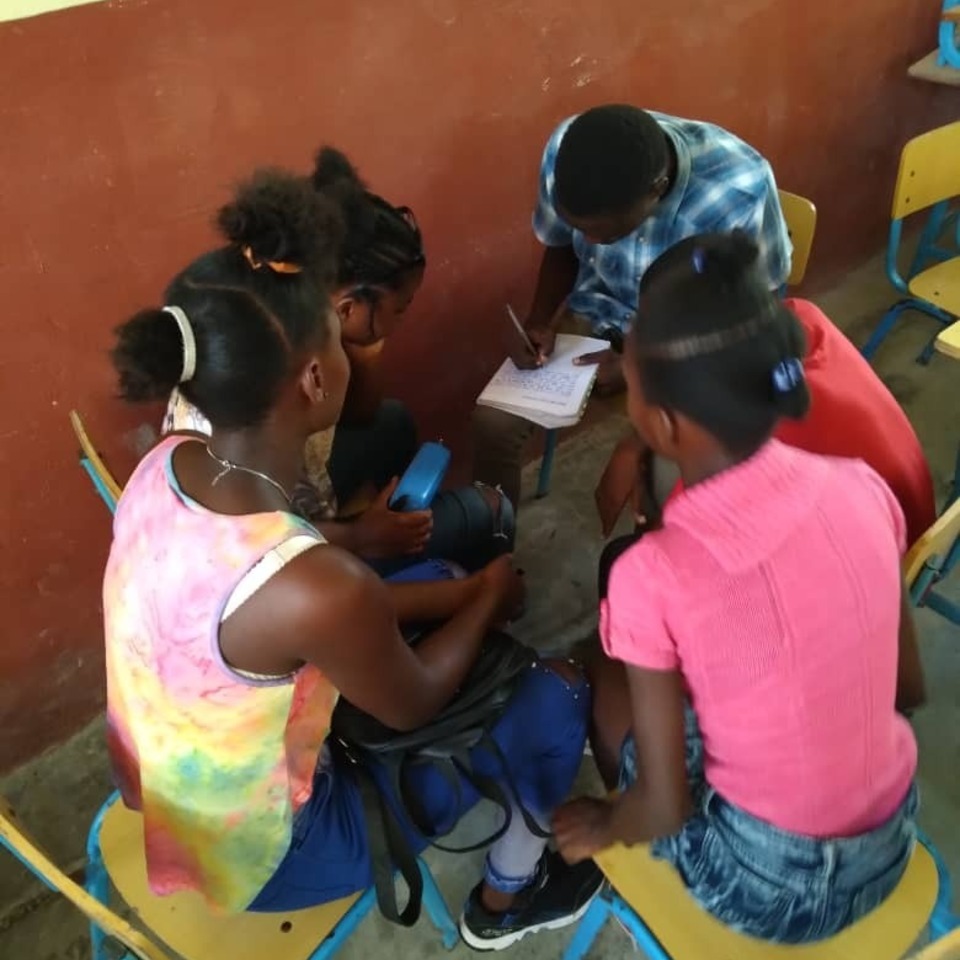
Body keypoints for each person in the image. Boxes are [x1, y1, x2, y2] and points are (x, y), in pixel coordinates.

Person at [105, 169, 600, 949]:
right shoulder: (315, 584)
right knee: (557, 693)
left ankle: (457, 599)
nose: (354, 349)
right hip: (272, 856)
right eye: (340, 341)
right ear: (311, 377)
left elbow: (288, 601)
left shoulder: (165, 464)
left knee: (431, 582)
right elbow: (415, 702)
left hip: (165, 790)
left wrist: (450, 590)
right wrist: (485, 595)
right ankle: (510, 896)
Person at [552, 233, 924, 944]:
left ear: (659, 423)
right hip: (891, 842)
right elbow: (902, 689)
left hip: (771, 893)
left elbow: (663, 808)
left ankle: (622, 863)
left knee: (605, 675)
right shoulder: (859, 484)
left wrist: (604, 823)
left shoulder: (649, 573)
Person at [165, 147, 512, 575]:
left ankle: (394, 543)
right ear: (346, 310)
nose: (402, 319)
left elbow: (363, 415)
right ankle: (417, 579)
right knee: (492, 513)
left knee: (392, 422)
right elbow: (259, 547)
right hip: (275, 557)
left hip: (267, 521)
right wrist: (359, 537)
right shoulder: (278, 398)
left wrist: (366, 352)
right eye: (400, 308)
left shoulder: (267, 307)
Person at [472, 103, 791, 507]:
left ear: (656, 189)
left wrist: (639, 367)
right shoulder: (570, 149)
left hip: (690, 344)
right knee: (493, 424)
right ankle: (491, 560)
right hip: (597, 311)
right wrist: (538, 321)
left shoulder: (739, 190)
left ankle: (649, 562)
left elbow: (749, 314)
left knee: (667, 482)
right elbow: (558, 245)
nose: (585, 242)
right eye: (579, 228)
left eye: (602, 232)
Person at [595, 296, 939, 589]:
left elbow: (670, 548)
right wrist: (636, 442)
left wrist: (646, 515)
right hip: (904, 543)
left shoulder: (744, 440)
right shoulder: (797, 319)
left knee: (625, 568)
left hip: (857, 581)